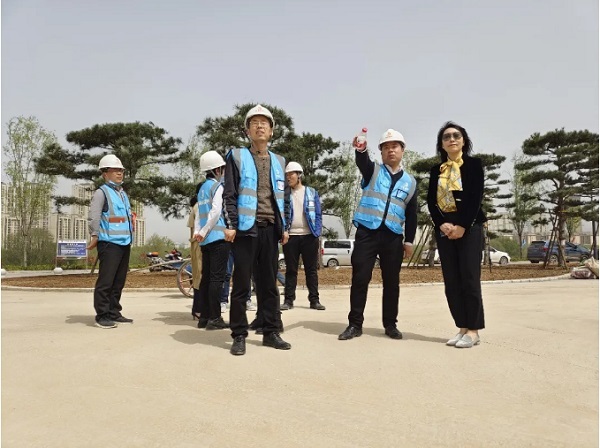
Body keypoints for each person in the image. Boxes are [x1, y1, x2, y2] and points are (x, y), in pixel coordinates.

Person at [223, 104, 291, 355]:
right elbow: (229, 194)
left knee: (269, 284)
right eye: (254, 123)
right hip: (245, 229)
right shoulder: (237, 156)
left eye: (264, 123)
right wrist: (231, 225)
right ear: (247, 131)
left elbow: (283, 198)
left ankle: (271, 331)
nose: (260, 126)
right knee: (242, 284)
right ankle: (239, 334)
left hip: (270, 229)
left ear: (271, 131)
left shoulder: (279, 161)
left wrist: (284, 227)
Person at [338, 129, 418, 341]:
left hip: (393, 237)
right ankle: (355, 324)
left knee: (392, 282)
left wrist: (409, 241)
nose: (391, 150)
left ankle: (390, 324)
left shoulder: (410, 182)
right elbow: (362, 161)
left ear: (402, 150)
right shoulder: (373, 170)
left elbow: (412, 214)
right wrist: (361, 149)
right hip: (367, 233)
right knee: (360, 278)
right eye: (386, 147)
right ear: (381, 152)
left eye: (395, 146)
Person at [426, 121, 486, 348]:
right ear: (441, 144)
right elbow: (431, 202)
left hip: (469, 227)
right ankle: (462, 326)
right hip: (445, 229)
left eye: (456, 136)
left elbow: (475, 197)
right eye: (446, 137)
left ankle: (473, 330)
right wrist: (442, 224)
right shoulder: (437, 170)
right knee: (452, 281)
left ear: (464, 141)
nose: (451, 139)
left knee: (469, 278)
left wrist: (462, 226)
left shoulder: (473, 165)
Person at [87, 154, 134, 329]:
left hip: (124, 242)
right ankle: (102, 315)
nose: (119, 173)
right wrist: (94, 235)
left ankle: (114, 312)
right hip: (109, 243)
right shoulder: (102, 193)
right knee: (106, 281)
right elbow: (94, 216)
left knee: (118, 281)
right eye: (115, 170)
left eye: (121, 170)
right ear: (105, 173)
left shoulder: (122, 193)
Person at [193, 151, 231, 330]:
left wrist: (198, 232)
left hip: (205, 240)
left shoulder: (202, 189)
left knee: (206, 278)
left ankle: (204, 317)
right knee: (217, 279)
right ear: (217, 170)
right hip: (218, 238)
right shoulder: (218, 187)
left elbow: (198, 215)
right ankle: (215, 318)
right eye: (222, 169)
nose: (223, 172)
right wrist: (205, 230)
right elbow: (216, 212)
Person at [280, 161, 325, 311]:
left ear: (299, 175)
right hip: (291, 236)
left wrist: (316, 232)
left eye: (291, 174)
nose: (288, 177)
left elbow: (318, 214)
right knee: (291, 270)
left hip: (309, 236)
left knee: (311, 270)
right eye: (286, 175)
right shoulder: (285, 194)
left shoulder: (311, 192)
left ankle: (314, 300)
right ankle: (288, 301)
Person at [187, 182, 204, 325]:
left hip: (196, 244)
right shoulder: (199, 206)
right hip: (200, 245)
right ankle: (198, 309)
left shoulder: (197, 206)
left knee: (199, 276)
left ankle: (197, 309)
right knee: (200, 277)